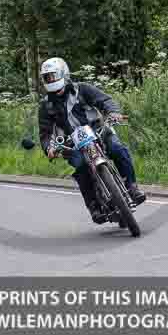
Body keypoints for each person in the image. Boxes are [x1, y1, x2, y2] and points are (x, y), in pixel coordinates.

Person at [37, 57, 146, 224]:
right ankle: (93, 205)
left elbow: (105, 101)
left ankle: (132, 186)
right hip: (71, 142)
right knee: (81, 168)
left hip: (98, 130)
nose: (50, 80)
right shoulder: (46, 106)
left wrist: (113, 112)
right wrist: (49, 148)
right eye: (47, 78)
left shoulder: (82, 89)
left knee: (117, 148)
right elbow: (45, 133)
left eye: (53, 76)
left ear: (63, 74)